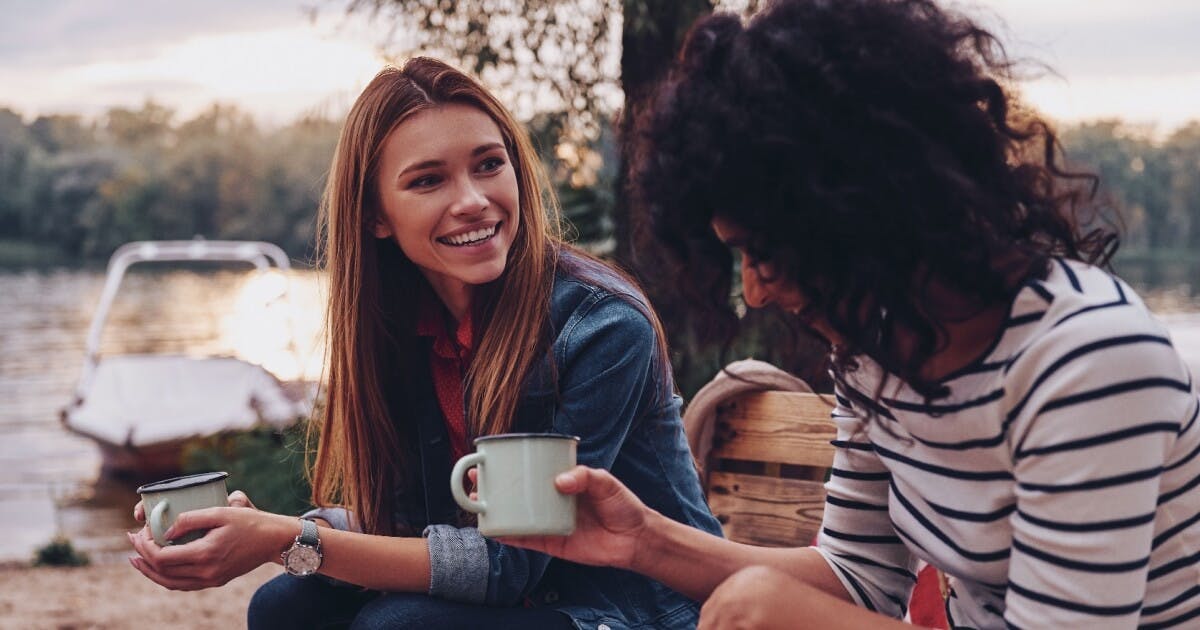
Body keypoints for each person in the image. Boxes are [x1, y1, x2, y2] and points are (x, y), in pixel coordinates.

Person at [503, 1, 1200, 628]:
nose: (757, 291)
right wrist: (644, 542)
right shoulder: (879, 352)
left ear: (871, 208)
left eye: (765, 251)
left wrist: (787, 614)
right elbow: (857, 578)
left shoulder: (1089, 362)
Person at [126, 57, 722, 629]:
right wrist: (267, 530)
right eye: (429, 180)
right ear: (375, 215)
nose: (471, 199)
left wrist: (291, 540)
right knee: (283, 608)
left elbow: (510, 564)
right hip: (533, 601)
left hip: (638, 610)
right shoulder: (404, 325)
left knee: (400, 624)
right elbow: (410, 523)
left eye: (489, 164)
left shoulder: (602, 326)